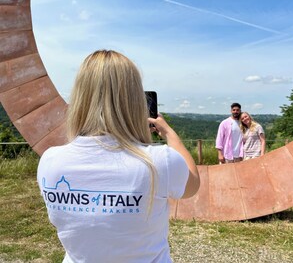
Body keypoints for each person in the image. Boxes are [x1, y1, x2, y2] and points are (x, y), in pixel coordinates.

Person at [37, 49, 200, 263]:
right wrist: (169, 133)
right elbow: (192, 185)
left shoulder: (50, 162)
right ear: (135, 101)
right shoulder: (159, 162)